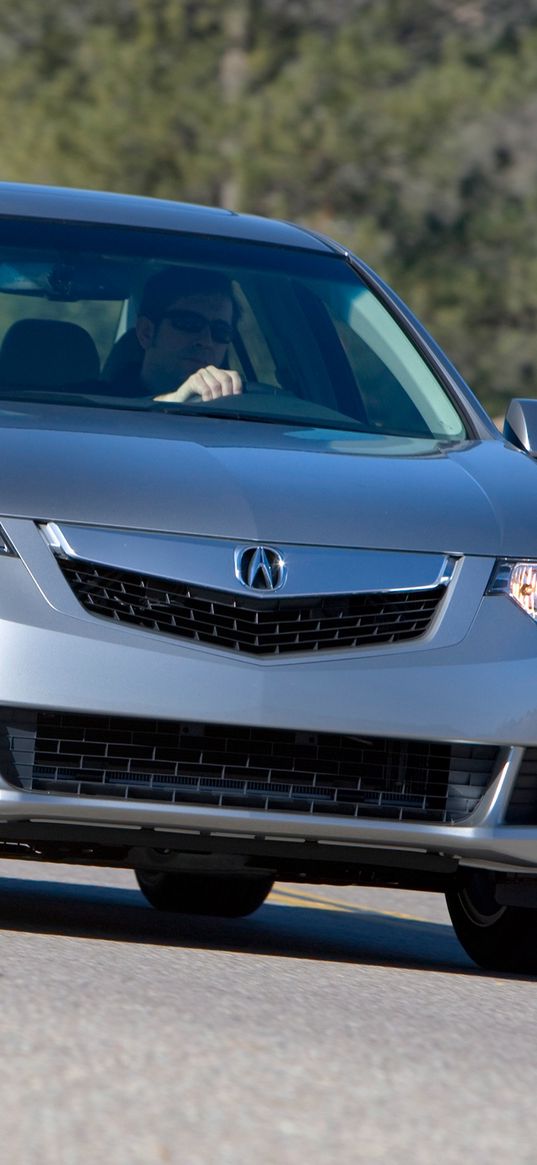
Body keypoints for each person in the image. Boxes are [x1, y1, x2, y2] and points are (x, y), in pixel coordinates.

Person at [110, 267, 243, 403]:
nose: (206, 341)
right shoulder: (96, 401)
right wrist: (173, 400)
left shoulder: (243, 408)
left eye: (221, 331)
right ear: (146, 332)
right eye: (189, 324)